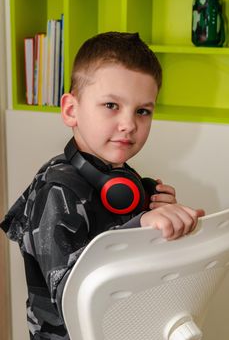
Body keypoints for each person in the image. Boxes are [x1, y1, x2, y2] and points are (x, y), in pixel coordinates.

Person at [0, 32, 204, 340]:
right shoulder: (57, 190)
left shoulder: (124, 181)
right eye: (111, 105)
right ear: (71, 110)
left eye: (142, 111)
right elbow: (75, 295)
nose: (129, 124)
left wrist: (161, 230)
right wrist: (139, 226)